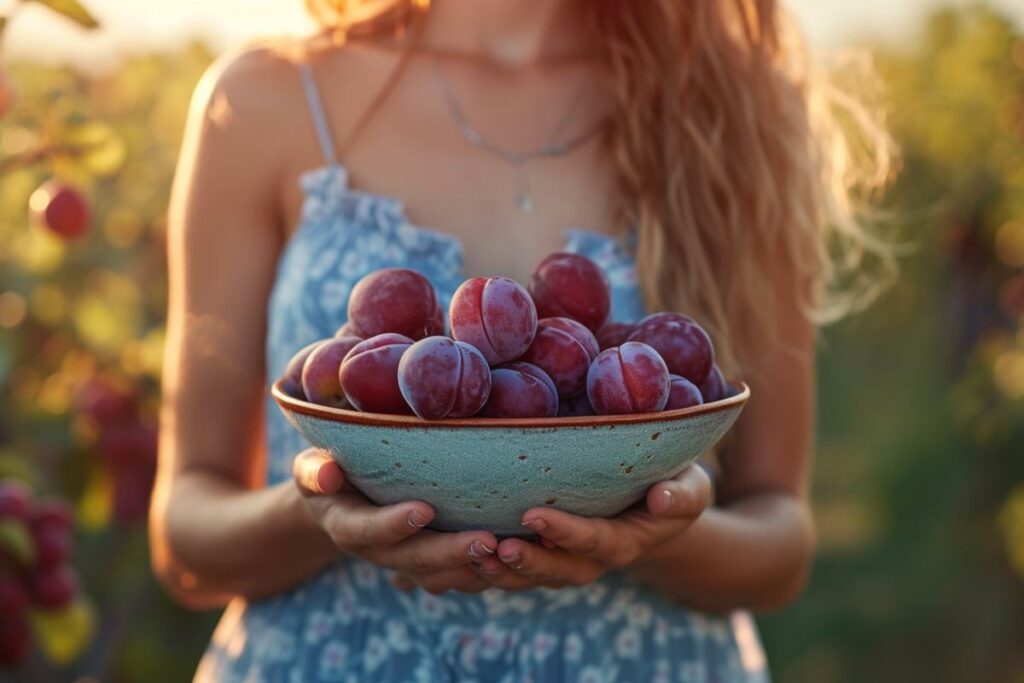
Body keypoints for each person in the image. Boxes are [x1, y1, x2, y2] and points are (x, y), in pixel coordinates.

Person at [151, 0, 893, 680]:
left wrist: (655, 534)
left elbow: (781, 548)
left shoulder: (734, 106)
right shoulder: (266, 99)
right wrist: (318, 513)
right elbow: (186, 542)